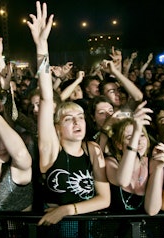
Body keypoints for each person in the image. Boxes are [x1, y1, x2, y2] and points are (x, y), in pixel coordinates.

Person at [27, 1, 110, 226]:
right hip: (60, 232)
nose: (77, 122)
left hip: (89, 227)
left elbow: (105, 199)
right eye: (69, 118)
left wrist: (67, 209)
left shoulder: (91, 149)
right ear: (56, 128)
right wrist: (42, 46)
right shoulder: (52, 150)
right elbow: (46, 96)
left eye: (81, 117)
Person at [105, 101, 164, 215]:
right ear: (119, 144)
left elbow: (152, 210)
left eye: (142, 135)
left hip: (144, 230)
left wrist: (158, 169)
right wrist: (137, 130)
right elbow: (123, 181)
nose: (139, 141)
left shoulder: (152, 163)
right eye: (130, 137)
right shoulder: (111, 162)